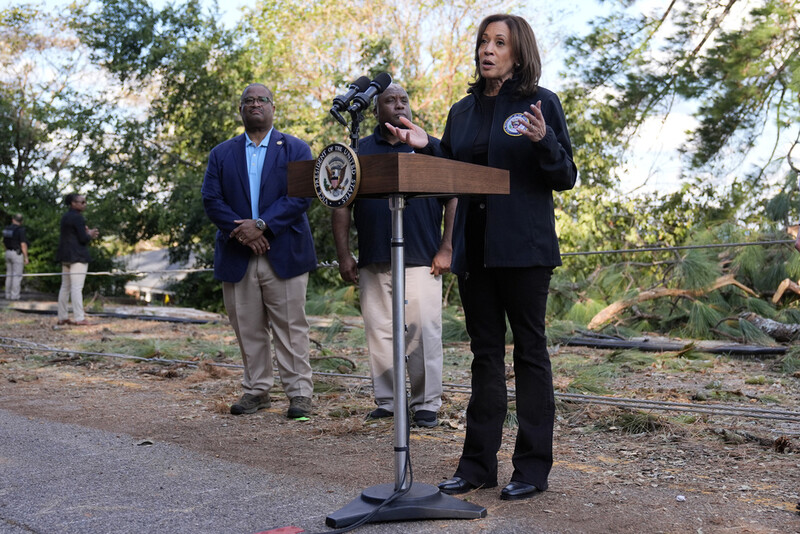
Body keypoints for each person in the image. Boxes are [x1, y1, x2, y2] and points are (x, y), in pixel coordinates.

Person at [387, 14, 578, 500]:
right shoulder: (463, 111)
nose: (487, 50)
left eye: (499, 42)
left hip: (526, 250)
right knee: (484, 356)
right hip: (477, 251)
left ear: (519, 52)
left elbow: (565, 176)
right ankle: (476, 467)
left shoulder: (542, 103)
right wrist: (425, 144)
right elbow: (452, 173)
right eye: (482, 42)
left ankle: (532, 469)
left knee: (530, 354)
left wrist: (544, 141)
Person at [331, 84, 457, 428]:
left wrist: (447, 248)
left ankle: (426, 403)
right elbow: (340, 205)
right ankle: (388, 401)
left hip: (422, 256)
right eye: (390, 100)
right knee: (379, 333)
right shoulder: (359, 150)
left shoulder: (428, 145)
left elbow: (452, 198)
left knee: (424, 333)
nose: (399, 104)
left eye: (404, 99)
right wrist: (345, 255)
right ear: (376, 110)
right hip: (374, 257)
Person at [202, 83, 317, 419]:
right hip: (238, 255)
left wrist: (263, 226)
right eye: (248, 100)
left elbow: (300, 197)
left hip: (284, 253)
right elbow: (212, 200)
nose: (255, 104)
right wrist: (245, 234)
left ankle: (299, 395)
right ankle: (257, 391)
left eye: (261, 100)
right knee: (248, 327)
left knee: (291, 327)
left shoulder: (295, 148)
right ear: (240, 110)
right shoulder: (221, 153)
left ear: (273, 108)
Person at [56, 194, 99, 326]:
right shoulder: (78, 217)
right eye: (82, 202)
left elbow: (73, 235)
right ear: (73, 203)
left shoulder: (65, 217)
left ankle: (62, 316)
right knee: (76, 287)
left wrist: (85, 233)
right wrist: (90, 234)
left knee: (65, 287)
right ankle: (79, 318)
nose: (84, 204)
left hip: (65, 256)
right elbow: (83, 238)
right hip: (77, 256)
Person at [3, 213, 30, 301]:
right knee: (17, 275)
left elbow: (4, 242)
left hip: (7, 252)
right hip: (16, 253)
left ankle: (7, 295)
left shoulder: (7, 229)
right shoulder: (20, 230)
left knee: (9, 274)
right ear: (21, 221)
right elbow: (23, 244)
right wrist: (26, 257)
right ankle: (14, 296)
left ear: (13, 219)